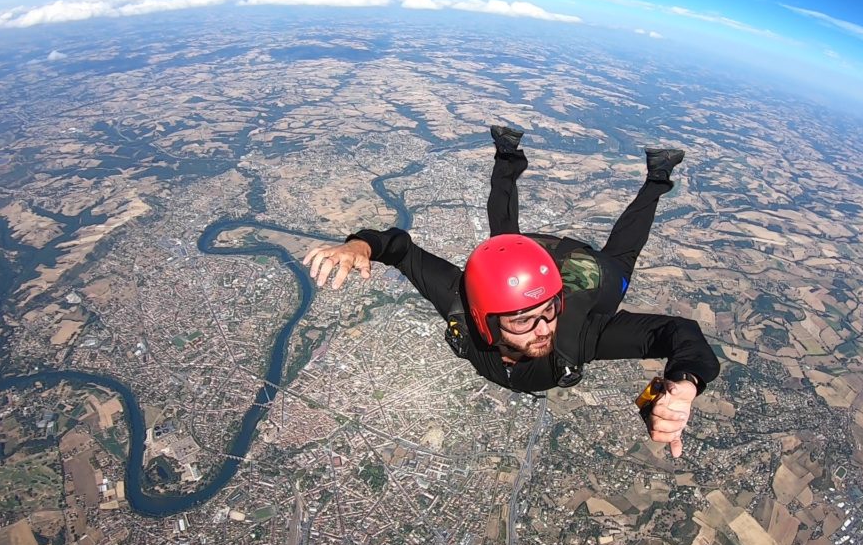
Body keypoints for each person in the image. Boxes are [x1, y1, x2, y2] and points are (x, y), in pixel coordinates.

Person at [303, 125, 720, 457]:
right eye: (523, 319)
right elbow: (399, 250)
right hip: (536, 271)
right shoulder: (463, 302)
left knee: (619, 258)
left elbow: (679, 333)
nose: (544, 329)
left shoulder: (576, 334)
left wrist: (685, 381)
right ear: (483, 319)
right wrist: (360, 245)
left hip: (585, 278)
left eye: (547, 313)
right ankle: (508, 154)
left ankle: (657, 176)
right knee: (498, 250)